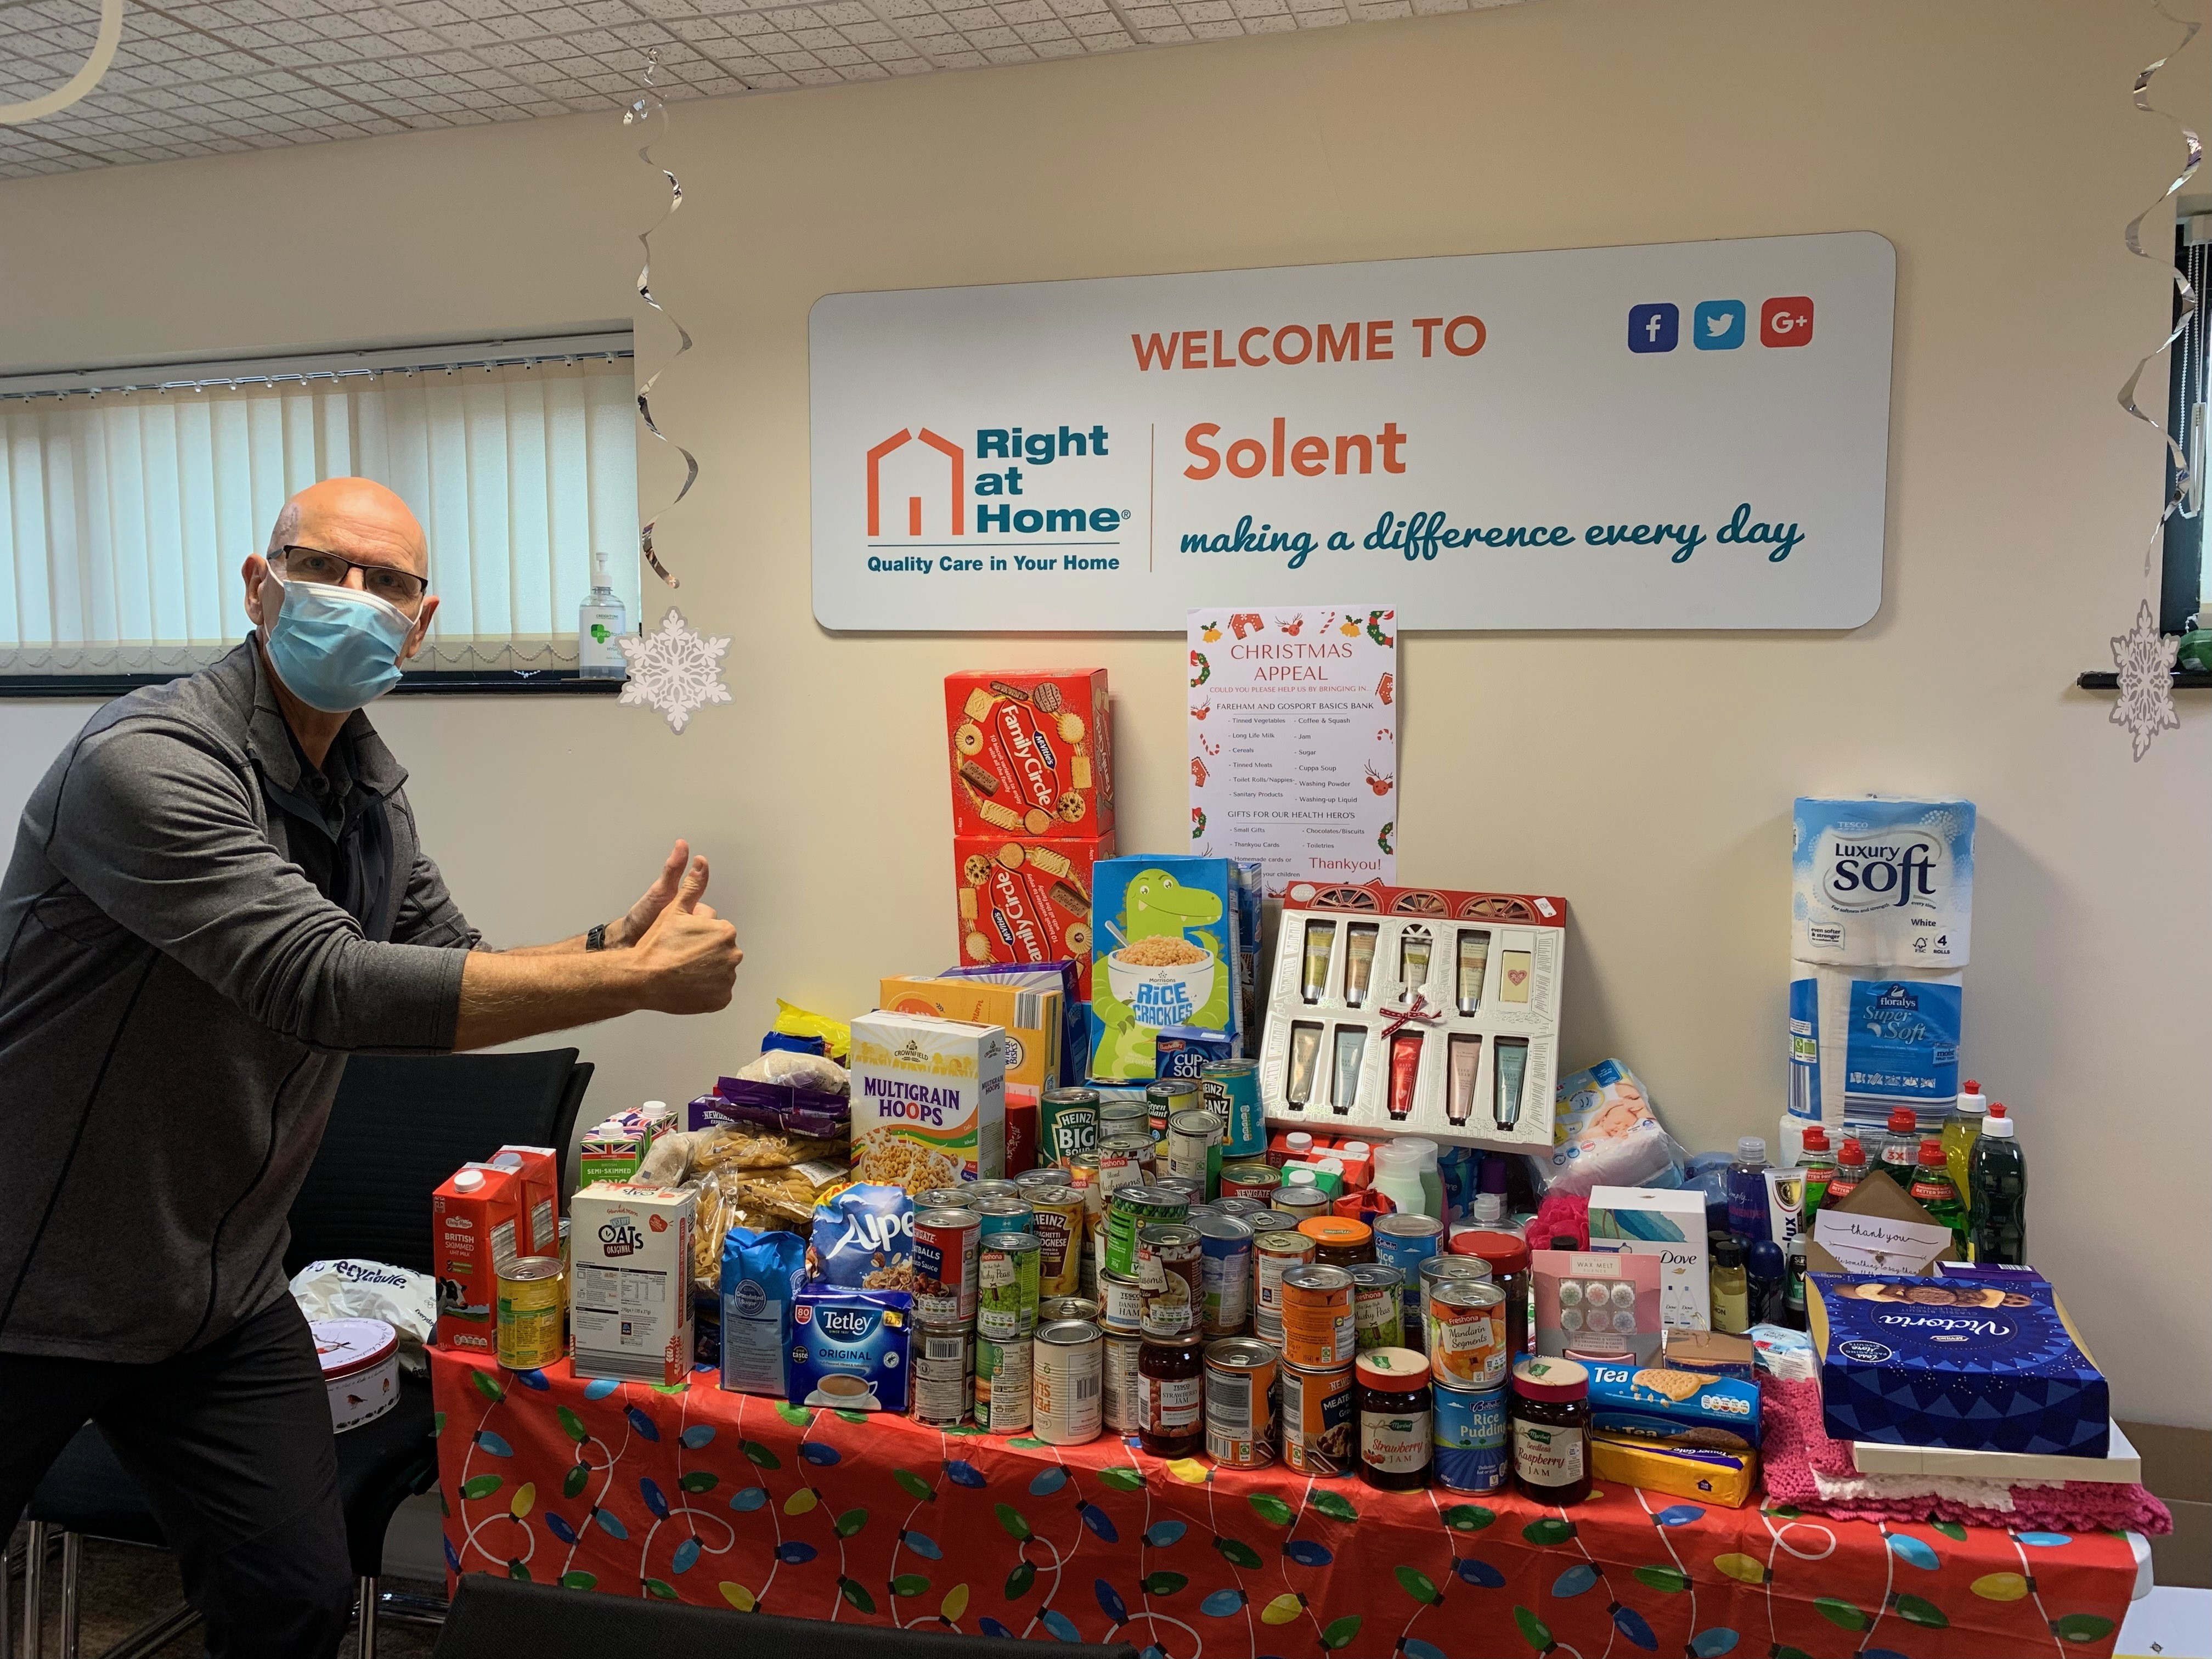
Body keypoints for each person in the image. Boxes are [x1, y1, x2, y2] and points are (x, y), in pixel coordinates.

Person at [0, 478, 741, 1658]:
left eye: (386, 581)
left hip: (214, 1292)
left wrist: (617, 947)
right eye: (324, 567)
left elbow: (448, 965)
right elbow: (327, 985)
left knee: (292, 1597)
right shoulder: (147, 764)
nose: (354, 598)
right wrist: (641, 983)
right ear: (259, 584)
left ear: (421, 620)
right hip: (30, 1283)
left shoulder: (366, 789)